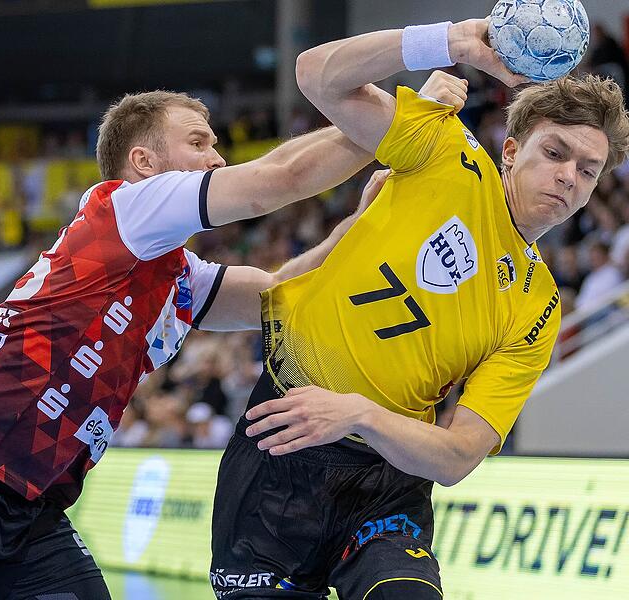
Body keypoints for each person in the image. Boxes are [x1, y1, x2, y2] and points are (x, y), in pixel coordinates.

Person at [0, 74, 466, 600]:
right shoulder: (127, 206)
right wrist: (400, 117)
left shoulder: (177, 274)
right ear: (144, 163)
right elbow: (278, 177)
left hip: (28, 507)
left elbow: (287, 294)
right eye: (199, 142)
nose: (217, 159)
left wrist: (360, 225)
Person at [210, 17, 629, 600]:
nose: (568, 177)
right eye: (554, 152)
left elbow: (458, 456)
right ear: (510, 149)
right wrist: (452, 42)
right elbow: (316, 76)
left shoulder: (538, 307)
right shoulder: (444, 151)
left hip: (387, 485)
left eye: (588, 171)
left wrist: (359, 415)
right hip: (282, 443)